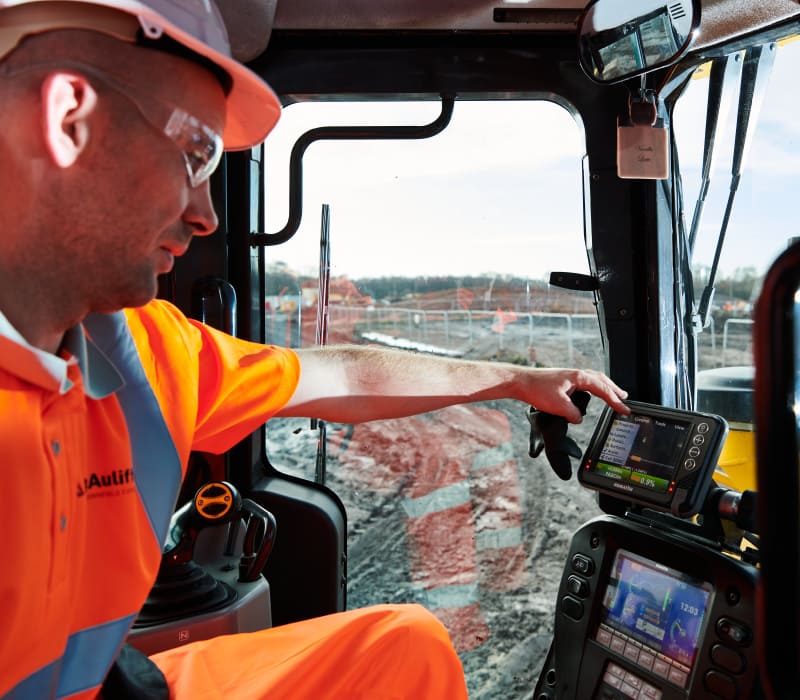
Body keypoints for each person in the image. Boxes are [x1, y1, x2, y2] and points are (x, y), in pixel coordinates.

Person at [0, 1, 629, 698]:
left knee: (403, 648)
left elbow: (343, 370)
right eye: (195, 154)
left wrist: (517, 379)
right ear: (69, 120)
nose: (205, 213)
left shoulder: (143, 356)